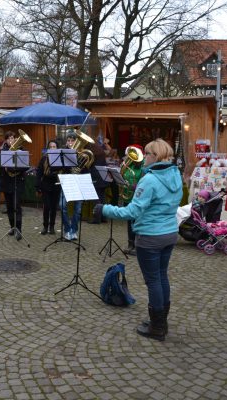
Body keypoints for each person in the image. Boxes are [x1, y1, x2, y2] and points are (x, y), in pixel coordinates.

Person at [94, 139, 182, 341]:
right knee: (161, 276)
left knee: (153, 281)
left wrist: (105, 208)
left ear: (155, 156)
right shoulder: (174, 174)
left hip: (151, 236)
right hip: (169, 233)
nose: (144, 160)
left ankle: (157, 328)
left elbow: (132, 211)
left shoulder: (150, 180)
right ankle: (161, 322)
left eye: (148, 154)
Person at [0, 131, 27, 240]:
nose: (11, 140)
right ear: (6, 140)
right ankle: (12, 227)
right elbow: (0, 164)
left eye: (12, 138)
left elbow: (25, 166)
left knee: (17, 206)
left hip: (18, 181)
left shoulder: (21, 150)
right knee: (10, 207)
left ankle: (19, 230)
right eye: (9, 139)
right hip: (7, 182)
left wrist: (13, 168)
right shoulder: (3, 151)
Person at [119, 144, 144, 256]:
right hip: (128, 197)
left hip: (138, 197)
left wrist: (136, 186)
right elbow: (123, 177)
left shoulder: (143, 167)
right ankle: (130, 244)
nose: (129, 158)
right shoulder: (129, 165)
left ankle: (138, 245)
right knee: (129, 221)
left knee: (137, 222)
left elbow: (144, 182)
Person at [61, 131, 83, 240]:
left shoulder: (83, 153)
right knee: (62, 206)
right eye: (68, 141)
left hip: (78, 182)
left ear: (76, 141)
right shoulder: (63, 154)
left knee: (77, 209)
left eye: (72, 141)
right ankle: (67, 229)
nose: (70, 143)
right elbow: (60, 168)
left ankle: (74, 230)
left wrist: (80, 168)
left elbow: (88, 168)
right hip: (67, 181)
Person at [36, 140, 61, 235]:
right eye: (51, 147)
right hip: (46, 185)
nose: (52, 148)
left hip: (56, 185)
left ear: (57, 148)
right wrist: (37, 186)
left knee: (54, 207)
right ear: (48, 148)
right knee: (46, 207)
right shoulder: (44, 159)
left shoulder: (60, 158)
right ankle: (45, 226)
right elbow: (39, 173)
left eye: (54, 146)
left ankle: (52, 226)